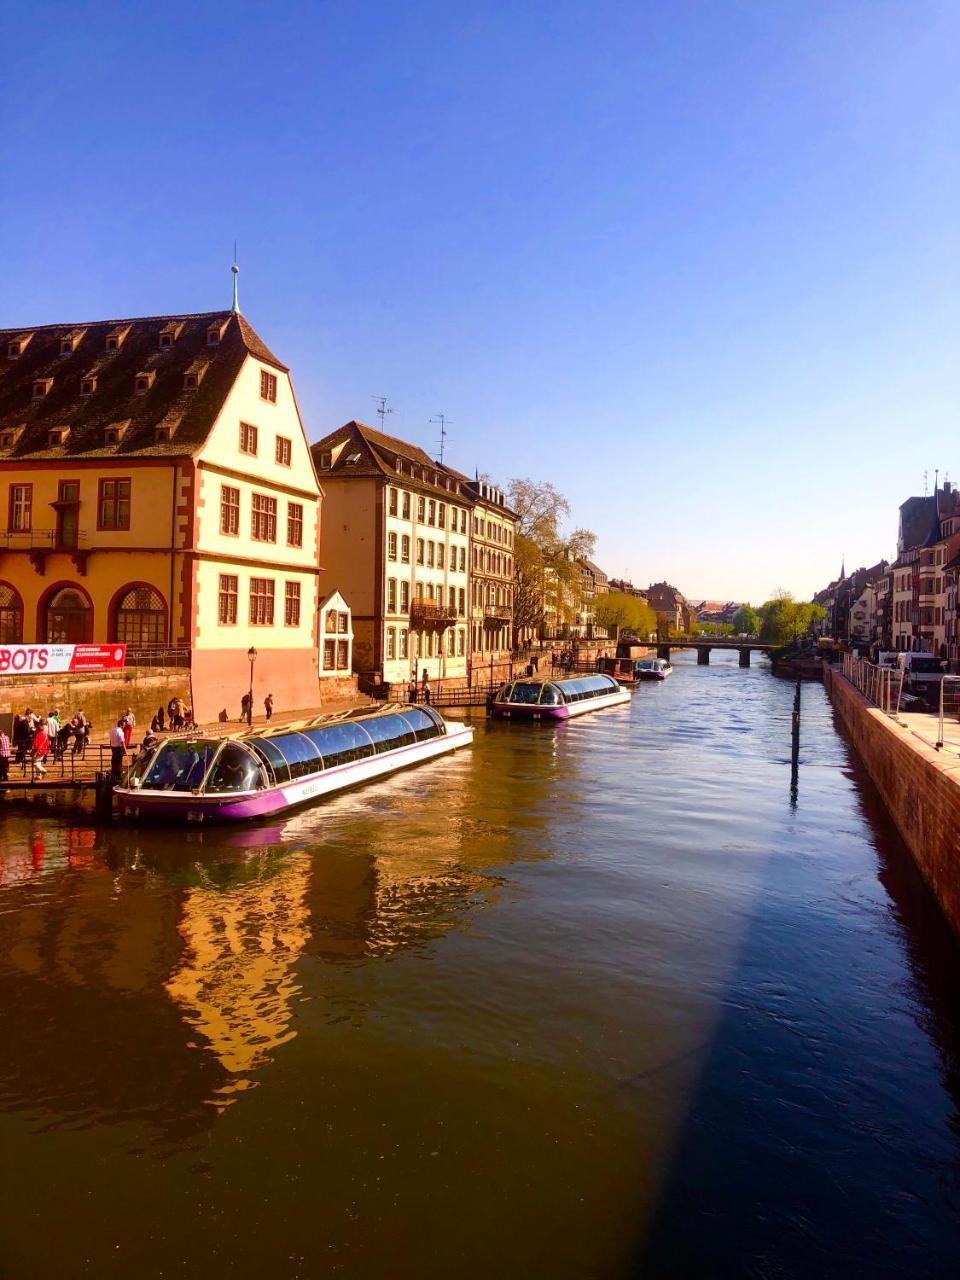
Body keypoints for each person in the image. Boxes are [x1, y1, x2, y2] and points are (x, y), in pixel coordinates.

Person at [109, 718, 127, 782]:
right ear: (121, 725)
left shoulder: (112, 730)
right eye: (124, 725)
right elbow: (122, 742)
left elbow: (110, 740)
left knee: (114, 761)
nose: (124, 726)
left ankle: (113, 775)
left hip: (113, 747)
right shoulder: (120, 732)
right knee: (119, 762)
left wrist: (112, 746)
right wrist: (125, 751)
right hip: (118, 748)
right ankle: (119, 776)